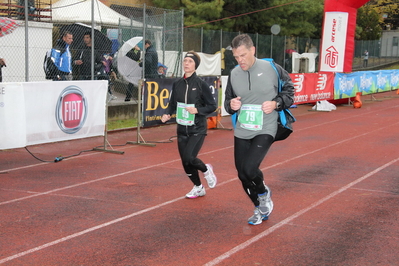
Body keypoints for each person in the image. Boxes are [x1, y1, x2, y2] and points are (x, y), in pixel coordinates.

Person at [224, 34, 294, 225]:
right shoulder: (234, 74)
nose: (240, 61)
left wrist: (276, 103)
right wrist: (232, 105)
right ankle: (259, 205)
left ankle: (263, 191)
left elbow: (289, 92)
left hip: (266, 125)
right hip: (243, 127)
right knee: (242, 173)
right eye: (236, 57)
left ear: (253, 50)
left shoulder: (271, 68)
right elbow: (227, 103)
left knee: (249, 168)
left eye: (243, 55)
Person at [161, 51, 218, 198]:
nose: (187, 63)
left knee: (190, 158)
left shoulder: (201, 84)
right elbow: (172, 104)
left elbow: (212, 106)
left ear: (195, 66)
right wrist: (168, 114)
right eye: (185, 61)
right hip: (182, 128)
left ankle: (206, 170)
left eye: (190, 61)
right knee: (185, 163)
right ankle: (198, 187)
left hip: (197, 128)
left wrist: (197, 110)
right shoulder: (177, 83)